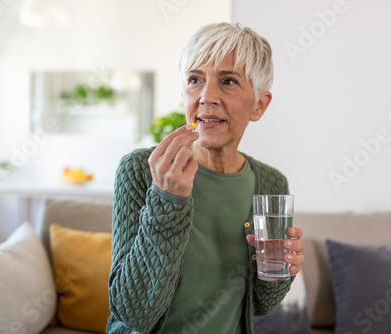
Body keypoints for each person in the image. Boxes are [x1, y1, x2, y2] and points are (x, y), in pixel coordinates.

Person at [107, 22, 305, 334]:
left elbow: (262, 304)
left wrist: (283, 271)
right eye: (195, 80)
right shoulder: (141, 169)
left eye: (228, 81)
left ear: (259, 105)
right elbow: (133, 313)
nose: (207, 96)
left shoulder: (271, 183)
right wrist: (166, 199)